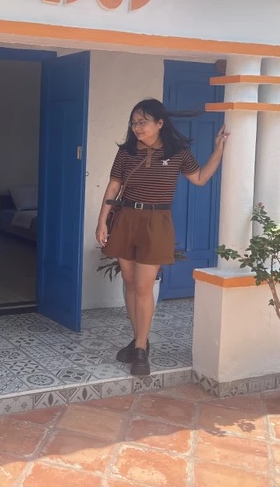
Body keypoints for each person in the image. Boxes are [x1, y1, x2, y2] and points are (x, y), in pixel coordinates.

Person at [95, 98, 229, 377]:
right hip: (126, 218)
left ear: (160, 123)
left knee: (144, 287)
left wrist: (218, 151)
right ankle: (139, 340)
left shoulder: (178, 152)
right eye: (134, 122)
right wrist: (102, 222)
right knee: (130, 283)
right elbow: (113, 186)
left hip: (157, 222)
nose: (137, 127)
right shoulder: (126, 152)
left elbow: (200, 178)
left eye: (143, 122)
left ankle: (140, 349)